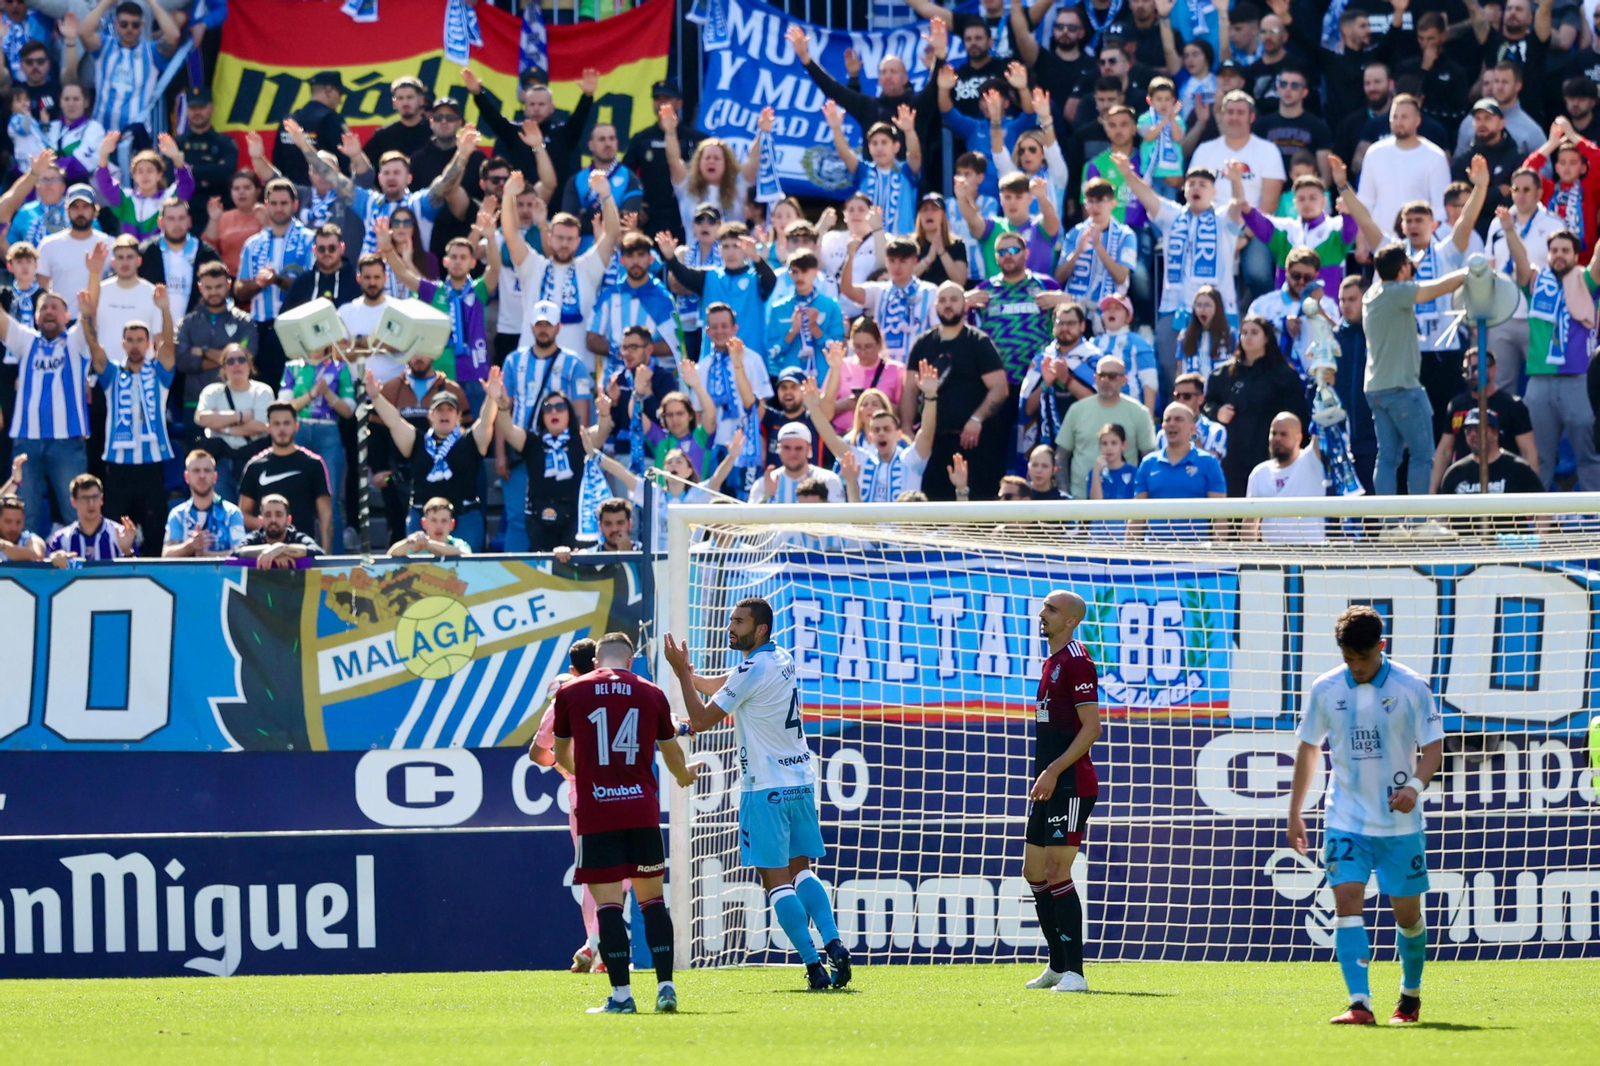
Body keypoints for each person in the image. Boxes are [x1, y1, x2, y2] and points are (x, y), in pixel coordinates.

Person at [663, 599, 851, 993]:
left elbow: (702, 720)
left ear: (760, 628)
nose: (731, 627)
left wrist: (681, 675)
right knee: (802, 871)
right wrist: (694, 677)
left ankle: (814, 965)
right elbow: (728, 684)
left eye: (739, 622)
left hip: (764, 787)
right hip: (800, 781)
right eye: (730, 620)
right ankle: (835, 943)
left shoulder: (751, 670)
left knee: (775, 880)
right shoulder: (780, 658)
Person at [1288, 605, 1443, 1026]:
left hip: (1399, 825)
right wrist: (1295, 811)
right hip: (1345, 819)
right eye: (1348, 659)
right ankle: (1360, 1003)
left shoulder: (1411, 686)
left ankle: (1409, 997)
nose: (1356, 667)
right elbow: (1309, 748)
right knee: (1346, 903)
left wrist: (1414, 787)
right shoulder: (1325, 688)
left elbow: (1433, 748)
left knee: (1407, 916)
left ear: (1381, 646)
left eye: (1364, 657)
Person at [553, 631, 699, 1015]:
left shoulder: (571, 692)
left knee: (609, 908)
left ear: (596, 661)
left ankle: (621, 997)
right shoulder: (651, 692)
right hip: (641, 812)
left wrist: (587, 776)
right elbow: (671, 753)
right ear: (631, 661)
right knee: (653, 902)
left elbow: (559, 754)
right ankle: (666, 988)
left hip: (598, 812)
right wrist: (684, 776)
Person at [1018, 589, 1101, 993]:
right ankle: (1056, 965)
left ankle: (1076, 974)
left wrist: (1052, 771)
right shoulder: (1052, 661)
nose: (1042, 613)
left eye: (1051, 609)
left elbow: (1092, 728)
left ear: (1070, 620)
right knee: (1033, 872)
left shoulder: (1077, 661)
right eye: (1043, 607)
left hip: (1070, 784)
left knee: (1056, 872)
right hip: (1049, 783)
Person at [1115, 155, 1244, 379]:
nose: (1196, 188)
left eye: (1203, 184)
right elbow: (1147, 196)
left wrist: (1235, 180)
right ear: (1184, 190)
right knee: (1169, 367)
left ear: (1213, 191)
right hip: (1174, 307)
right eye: (1191, 184)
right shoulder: (1172, 215)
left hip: (1220, 308)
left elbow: (1238, 206)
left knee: (1223, 370)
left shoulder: (1223, 219)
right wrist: (1128, 173)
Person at [1500, 218, 1600, 489]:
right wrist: (1509, 230)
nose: (1559, 255)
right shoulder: (1535, 282)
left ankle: (1594, 513)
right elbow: (1520, 260)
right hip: (1539, 382)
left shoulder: (1587, 281)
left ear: (1576, 256)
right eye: (1554, 250)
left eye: (1565, 250)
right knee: (1537, 458)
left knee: (1589, 457)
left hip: (1579, 381)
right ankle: (1537, 514)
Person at [1362, 242, 1468, 495]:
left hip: (1376, 389)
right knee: (1422, 456)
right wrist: (1469, 271)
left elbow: (1398, 278)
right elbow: (1441, 286)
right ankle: (1420, 515)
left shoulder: (1372, 293)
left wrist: (1408, 267)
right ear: (1402, 269)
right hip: (1403, 389)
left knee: (1387, 458)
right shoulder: (1399, 292)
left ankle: (1385, 518)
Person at [526, 637, 604, 972]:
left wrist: (564, 766)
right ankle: (597, 946)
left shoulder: (562, 699)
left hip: (581, 795)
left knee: (593, 873)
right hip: (621, 788)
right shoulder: (617, 691)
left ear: (573, 669)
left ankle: (597, 950)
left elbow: (537, 753)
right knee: (624, 875)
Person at [82, 286, 176, 557]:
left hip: (151, 466)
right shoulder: (112, 374)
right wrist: (86, 317)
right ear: (122, 344)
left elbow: (169, 346)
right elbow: (94, 349)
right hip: (118, 467)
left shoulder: (159, 374)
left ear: (148, 343)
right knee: (114, 529)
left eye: (140, 340)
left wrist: (165, 310)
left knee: (155, 529)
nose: (135, 345)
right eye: (130, 340)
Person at [366, 366, 500, 550]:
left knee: (466, 566)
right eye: (439, 410)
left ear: (458, 415)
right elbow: (394, 421)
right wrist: (375, 397)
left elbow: (485, 422)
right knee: (419, 566)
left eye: (450, 409)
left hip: (464, 517)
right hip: (423, 519)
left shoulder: (470, 440)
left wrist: (492, 398)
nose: (444, 414)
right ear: (431, 415)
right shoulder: (418, 441)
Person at [501, 301, 596, 552]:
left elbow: (581, 412)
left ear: (558, 327)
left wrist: (579, 451)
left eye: (549, 324)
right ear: (531, 326)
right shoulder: (513, 361)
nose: (543, 329)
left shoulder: (573, 363)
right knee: (517, 517)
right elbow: (503, 408)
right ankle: (516, 568)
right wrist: (500, 454)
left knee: (565, 513)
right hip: (521, 446)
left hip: (560, 450)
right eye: (539, 324)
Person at [2, 285, 93, 539]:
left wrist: (95, 274)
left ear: (67, 315)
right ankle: (23, 558)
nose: (49, 312)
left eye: (55, 307)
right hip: (26, 441)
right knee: (22, 514)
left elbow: (90, 313)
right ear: (35, 316)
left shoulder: (76, 341)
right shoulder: (26, 340)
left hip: (67, 441)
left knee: (76, 512)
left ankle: (82, 558)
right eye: (44, 308)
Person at [907, 282, 1009, 501]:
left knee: (976, 507)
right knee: (933, 507)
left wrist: (976, 418)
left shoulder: (979, 342)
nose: (948, 305)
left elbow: (1000, 388)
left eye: (954, 300)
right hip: (932, 444)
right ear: (935, 306)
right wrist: (906, 428)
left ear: (965, 304)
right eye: (942, 300)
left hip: (974, 444)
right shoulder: (923, 344)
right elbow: (909, 391)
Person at [502, 170, 619, 358]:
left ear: (578, 242)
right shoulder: (533, 266)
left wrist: (606, 195)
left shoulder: (588, 267)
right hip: (532, 362)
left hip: (579, 365)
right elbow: (511, 235)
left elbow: (611, 235)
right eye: (559, 238)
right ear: (549, 238)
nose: (564, 244)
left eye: (570, 239)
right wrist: (508, 196)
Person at [489, 378, 610, 553]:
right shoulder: (533, 441)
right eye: (547, 408)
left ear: (569, 413)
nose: (554, 412)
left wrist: (604, 414)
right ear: (542, 415)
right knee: (545, 563)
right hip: (539, 517)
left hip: (575, 515)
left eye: (560, 407)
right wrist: (502, 406)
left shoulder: (580, 439)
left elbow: (602, 433)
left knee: (575, 564)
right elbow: (508, 430)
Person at [802, 364, 938, 501]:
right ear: (871, 437)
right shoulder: (862, 460)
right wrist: (813, 408)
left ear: (898, 435)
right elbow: (832, 440)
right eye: (877, 430)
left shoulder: (910, 460)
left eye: (887, 429)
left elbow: (927, 433)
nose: (881, 433)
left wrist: (930, 396)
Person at [232, 178, 317, 388]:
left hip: (297, 328)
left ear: (295, 205)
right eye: (274, 203)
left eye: (284, 203)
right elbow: (239, 291)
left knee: (296, 390)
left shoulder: (310, 240)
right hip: (261, 328)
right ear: (266, 205)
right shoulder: (253, 244)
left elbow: (311, 287)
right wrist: (258, 284)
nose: (279, 208)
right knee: (264, 388)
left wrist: (277, 280)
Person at [279, 338, 354, 550]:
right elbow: (285, 406)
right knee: (295, 494)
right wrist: (312, 393)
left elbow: (348, 411)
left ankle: (333, 557)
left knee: (330, 497)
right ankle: (295, 550)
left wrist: (328, 393)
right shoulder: (292, 367)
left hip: (328, 430)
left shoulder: (340, 369)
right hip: (299, 429)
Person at [1430, 348, 1538, 492]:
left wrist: (1533, 493)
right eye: (1467, 369)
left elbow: (1528, 451)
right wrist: (1432, 493)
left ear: (1493, 370)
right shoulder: (1456, 405)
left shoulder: (1512, 405)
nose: (1471, 374)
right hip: (1465, 484)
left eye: (1476, 369)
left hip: (1503, 482)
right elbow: (1444, 452)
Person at [71, 0, 180, 141]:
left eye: (135, 25)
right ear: (116, 24)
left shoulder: (151, 52)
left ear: (142, 26)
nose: (129, 29)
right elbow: (84, 32)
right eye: (124, 24)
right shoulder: (104, 46)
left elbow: (173, 36)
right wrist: (106, 3)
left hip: (135, 135)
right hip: (100, 132)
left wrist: (152, 3)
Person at [1055, 351, 1159, 497]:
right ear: (1095, 378)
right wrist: (1064, 493)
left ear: (1124, 380)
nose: (1106, 380)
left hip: (1125, 502)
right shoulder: (1077, 410)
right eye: (1101, 376)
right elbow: (1061, 456)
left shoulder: (1139, 412)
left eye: (1112, 376)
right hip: (1080, 502)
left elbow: (1149, 459)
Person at [239, 402, 334, 551]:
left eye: (286, 423)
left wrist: (325, 555)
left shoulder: (313, 464)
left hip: (302, 552)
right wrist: (272, 524)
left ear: (296, 426)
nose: (281, 429)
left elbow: (325, 515)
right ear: (268, 428)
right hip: (262, 555)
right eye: (276, 424)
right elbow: (243, 514)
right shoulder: (255, 466)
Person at [1128, 403, 1227, 540]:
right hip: (1155, 550)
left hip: (1195, 550)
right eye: (1167, 420)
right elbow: (1137, 515)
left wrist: (1219, 550)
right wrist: (1129, 549)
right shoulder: (1148, 463)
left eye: (1178, 419)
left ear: (1192, 428)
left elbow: (1220, 514)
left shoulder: (1209, 462)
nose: (1172, 424)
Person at [838, 237, 938, 367]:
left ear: (915, 261)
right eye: (892, 261)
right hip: (884, 368)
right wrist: (850, 257)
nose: (897, 267)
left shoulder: (930, 291)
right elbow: (847, 290)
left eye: (903, 261)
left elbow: (937, 331)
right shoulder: (879, 290)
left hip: (916, 366)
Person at [193, 342, 271, 502]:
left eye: (241, 360)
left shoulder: (262, 391)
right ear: (223, 368)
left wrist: (225, 428)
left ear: (249, 365)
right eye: (230, 361)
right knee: (222, 512)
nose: (236, 365)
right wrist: (241, 416)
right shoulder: (212, 391)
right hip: (221, 462)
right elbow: (203, 419)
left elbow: (261, 426)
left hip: (253, 461)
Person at [1242, 412, 1328, 543]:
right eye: (1274, 433)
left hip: (1312, 552)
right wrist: (1249, 554)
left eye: (1284, 434)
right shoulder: (1259, 473)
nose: (1277, 438)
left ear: (1299, 438)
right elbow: (1249, 523)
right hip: (1273, 554)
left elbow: (1322, 427)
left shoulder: (1311, 460)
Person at [94, 132, 195, 241]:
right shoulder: (126, 199)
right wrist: (103, 154)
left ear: (159, 174)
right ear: (133, 176)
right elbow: (105, 183)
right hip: (133, 251)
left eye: (150, 171)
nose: (145, 176)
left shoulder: (169, 198)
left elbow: (186, 184)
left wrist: (176, 157)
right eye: (140, 171)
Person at [765, 248, 846, 380]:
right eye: (795, 272)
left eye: (805, 271)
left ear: (815, 273)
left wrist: (815, 329)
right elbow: (771, 353)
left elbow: (838, 349)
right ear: (789, 274)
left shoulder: (831, 306)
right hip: (791, 383)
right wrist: (792, 333)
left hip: (823, 379)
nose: (800, 277)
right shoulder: (779, 308)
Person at [137, 197, 220, 317]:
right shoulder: (146, 252)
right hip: (153, 324)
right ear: (161, 222)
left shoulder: (206, 254)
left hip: (195, 325)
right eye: (171, 219)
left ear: (189, 221)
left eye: (181, 218)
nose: (177, 224)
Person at [1437, 407, 1545, 497]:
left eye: (1478, 429)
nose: (1473, 434)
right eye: (1468, 430)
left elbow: (1541, 507)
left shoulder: (1519, 469)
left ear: (1495, 433)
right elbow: (1442, 512)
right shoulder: (1455, 473)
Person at [163, 448, 247, 557]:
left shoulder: (232, 513)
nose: (202, 476)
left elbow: (240, 553)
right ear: (186, 477)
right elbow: (166, 555)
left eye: (207, 470)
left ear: (215, 477)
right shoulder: (178, 515)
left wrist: (206, 555)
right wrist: (191, 546)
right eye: (196, 471)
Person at [271, 71, 349, 188]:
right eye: (340, 94)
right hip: (323, 194)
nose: (340, 100)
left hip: (290, 193)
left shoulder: (288, 121)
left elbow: (277, 163)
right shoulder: (331, 120)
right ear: (329, 90)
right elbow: (346, 162)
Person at [36, 184, 114, 298]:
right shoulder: (48, 245)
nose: (80, 212)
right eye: (75, 207)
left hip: (99, 310)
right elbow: (41, 289)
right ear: (67, 210)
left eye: (85, 206)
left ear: (95, 210)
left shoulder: (110, 244)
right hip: (62, 310)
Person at [174, 87, 238, 224]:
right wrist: (210, 171)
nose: (197, 112)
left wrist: (189, 170)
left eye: (201, 107)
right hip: (185, 212)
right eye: (193, 108)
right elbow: (170, 176)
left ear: (211, 109)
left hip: (219, 209)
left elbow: (227, 172)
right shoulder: (176, 143)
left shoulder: (225, 142)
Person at [47, 472, 135, 559]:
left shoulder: (121, 534)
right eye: (85, 498)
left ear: (101, 499)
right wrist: (56, 559)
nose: (91, 503)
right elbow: (49, 564)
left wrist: (127, 551)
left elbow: (138, 567)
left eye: (95, 497)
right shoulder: (62, 539)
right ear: (73, 502)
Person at [750, 423, 845, 504]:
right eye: (787, 448)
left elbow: (839, 518)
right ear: (779, 449)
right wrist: (766, 496)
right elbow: (749, 518)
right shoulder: (764, 483)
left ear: (809, 449)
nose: (792, 454)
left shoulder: (827, 480)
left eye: (798, 448)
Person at [233, 492, 325, 568]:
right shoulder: (255, 537)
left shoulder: (297, 537)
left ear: (288, 520)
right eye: (268, 515)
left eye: (278, 515)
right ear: (261, 520)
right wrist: (270, 551)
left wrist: (281, 548)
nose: (273, 520)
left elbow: (318, 552)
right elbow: (236, 552)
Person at [388, 496, 472, 557]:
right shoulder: (417, 545)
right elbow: (390, 555)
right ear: (424, 523)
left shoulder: (458, 544)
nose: (439, 526)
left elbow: (467, 556)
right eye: (434, 520)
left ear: (452, 524)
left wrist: (430, 544)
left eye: (444, 521)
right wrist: (409, 542)